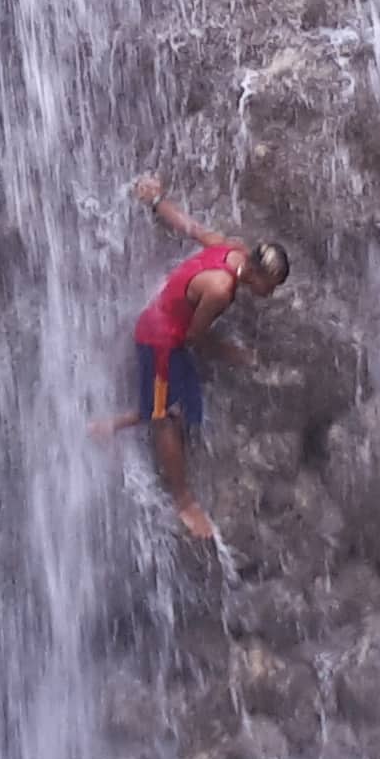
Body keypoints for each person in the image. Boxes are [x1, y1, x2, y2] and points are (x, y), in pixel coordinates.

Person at [95, 174, 289, 541]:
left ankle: (107, 427)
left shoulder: (231, 250)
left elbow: (192, 228)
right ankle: (184, 502)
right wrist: (232, 353)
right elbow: (193, 338)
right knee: (166, 416)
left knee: (175, 404)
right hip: (160, 342)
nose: (270, 294)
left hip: (164, 332)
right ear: (260, 276)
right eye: (271, 287)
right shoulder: (220, 289)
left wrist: (156, 202)